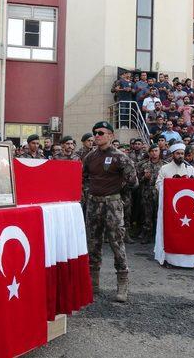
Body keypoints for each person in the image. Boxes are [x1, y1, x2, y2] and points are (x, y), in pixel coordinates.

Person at [82, 121, 138, 303]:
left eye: (100, 133)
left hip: (113, 204)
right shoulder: (90, 157)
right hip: (93, 204)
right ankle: (93, 283)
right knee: (93, 243)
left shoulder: (120, 157)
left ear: (111, 135)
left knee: (116, 243)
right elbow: (83, 179)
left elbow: (133, 181)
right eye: (95, 133)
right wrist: (90, 192)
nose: (97, 135)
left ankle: (122, 283)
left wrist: (116, 189)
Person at [136, 144, 165, 244]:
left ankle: (159, 235)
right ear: (149, 153)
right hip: (147, 193)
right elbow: (137, 180)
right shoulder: (143, 165)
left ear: (159, 152)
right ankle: (147, 234)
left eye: (156, 150)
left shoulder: (165, 165)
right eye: (152, 151)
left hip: (160, 193)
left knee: (160, 214)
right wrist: (145, 178)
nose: (154, 153)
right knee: (147, 215)